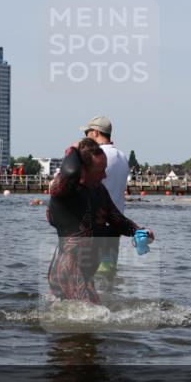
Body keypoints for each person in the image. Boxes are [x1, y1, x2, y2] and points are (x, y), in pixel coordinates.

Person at [47, 139, 154, 304]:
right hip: (68, 268)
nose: (105, 175)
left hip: (86, 272)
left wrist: (139, 231)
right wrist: (72, 149)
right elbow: (70, 171)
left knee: (94, 318)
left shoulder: (99, 190)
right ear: (83, 170)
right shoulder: (65, 190)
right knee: (91, 318)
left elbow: (117, 219)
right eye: (100, 170)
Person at [81, 116, 128, 277]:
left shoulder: (97, 157)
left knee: (89, 274)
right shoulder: (122, 156)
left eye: (87, 134)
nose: (85, 138)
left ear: (95, 132)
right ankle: (111, 301)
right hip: (116, 225)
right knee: (108, 272)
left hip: (96, 225)